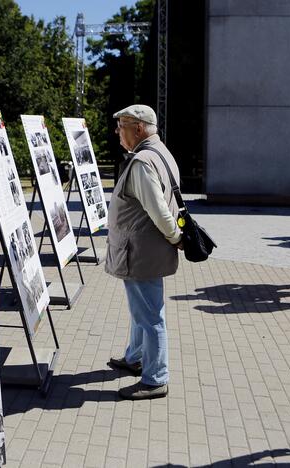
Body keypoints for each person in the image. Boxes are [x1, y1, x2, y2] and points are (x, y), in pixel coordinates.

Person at [105, 104, 183, 400]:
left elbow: (159, 211)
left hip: (140, 251)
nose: (117, 132)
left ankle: (155, 379)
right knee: (142, 310)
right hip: (143, 250)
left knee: (150, 316)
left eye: (121, 125)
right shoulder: (162, 153)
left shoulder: (143, 161)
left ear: (138, 128)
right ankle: (134, 357)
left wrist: (175, 237)